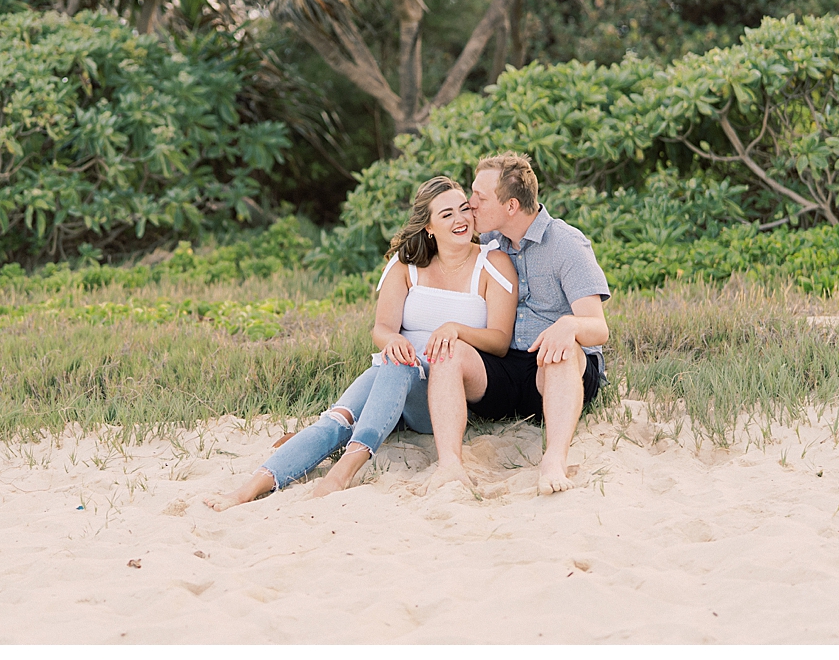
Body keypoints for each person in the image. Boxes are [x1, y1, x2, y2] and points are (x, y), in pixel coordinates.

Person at [205, 176, 516, 510]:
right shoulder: (405, 265)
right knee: (336, 420)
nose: (460, 219)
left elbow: (499, 342)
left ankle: (341, 473)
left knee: (399, 367)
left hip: (436, 393)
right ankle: (245, 491)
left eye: (464, 209)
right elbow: (382, 328)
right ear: (428, 227)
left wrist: (456, 329)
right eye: (446, 214)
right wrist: (394, 340)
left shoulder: (492, 263)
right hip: (395, 371)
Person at [424, 152, 610, 497]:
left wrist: (568, 325)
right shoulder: (489, 243)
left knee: (561, 350)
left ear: (511, 206)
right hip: (505, 369)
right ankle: (450, 464)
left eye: (479, 197)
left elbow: (599, 329)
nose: (470, 202)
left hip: (555, 372)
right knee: (451, 351)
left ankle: (554, 459)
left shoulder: (567, 244)